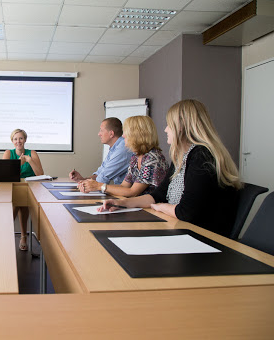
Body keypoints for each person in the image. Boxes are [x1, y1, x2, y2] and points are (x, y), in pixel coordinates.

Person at [100, 99, 243, 237]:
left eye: (169, 124)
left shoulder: (201, 156)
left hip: (202, 238)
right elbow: (157, 196)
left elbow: (186, 212)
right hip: (181, 228)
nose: (165, 129)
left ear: (181, 127)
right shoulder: (181, 157)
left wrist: (161, 207)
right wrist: (122, 203)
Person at [78, 115, 168, 197]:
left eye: (126, 132)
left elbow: (133, 192)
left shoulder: (152, 158)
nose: (123, 135)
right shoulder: (136, 157)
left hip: (152, 210)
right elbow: (124, 186)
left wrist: (99, 186)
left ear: (137, 135)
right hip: (138, 205)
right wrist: (95, 187)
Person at [2, 129, 44, 250]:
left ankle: (20, 235)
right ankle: (22, 235)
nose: (18, 141)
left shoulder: (32, 153)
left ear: (25, 139)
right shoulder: (8, 153)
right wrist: (19, 163)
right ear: (12, 141)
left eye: (21, 138)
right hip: (12, 185)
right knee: (17, 202)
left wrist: (30, 161)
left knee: (22, 201)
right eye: (15, 139)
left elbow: (40, 174)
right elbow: (5, 174)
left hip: (29, 187)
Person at [69, 117, 133, 185]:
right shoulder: (114, 148)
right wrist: (82, 179)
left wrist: (84, 183)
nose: (99, 134)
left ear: (111, 134)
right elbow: (100, 174)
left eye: (101, 130)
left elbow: (103, 178)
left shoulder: (123, 148)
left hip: (125, 194)